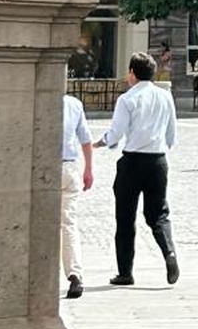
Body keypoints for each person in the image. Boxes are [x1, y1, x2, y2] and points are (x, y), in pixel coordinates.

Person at [103, 52, 179, 286]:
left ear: (132, 73)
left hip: (133, 160)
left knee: (125, 217)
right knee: (158, 214)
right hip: (158, 161)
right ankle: (169, 253)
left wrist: (105, 141)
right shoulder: (165, 96)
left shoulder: (127, 99)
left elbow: (116, 133)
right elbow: (171, 134)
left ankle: (125, 272)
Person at [60, 89, 95, 300]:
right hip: (69, 167)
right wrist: (88, 168)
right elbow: (86, 140)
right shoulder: (74, 104)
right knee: (68, 223)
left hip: (43, 166)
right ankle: (75, 274)